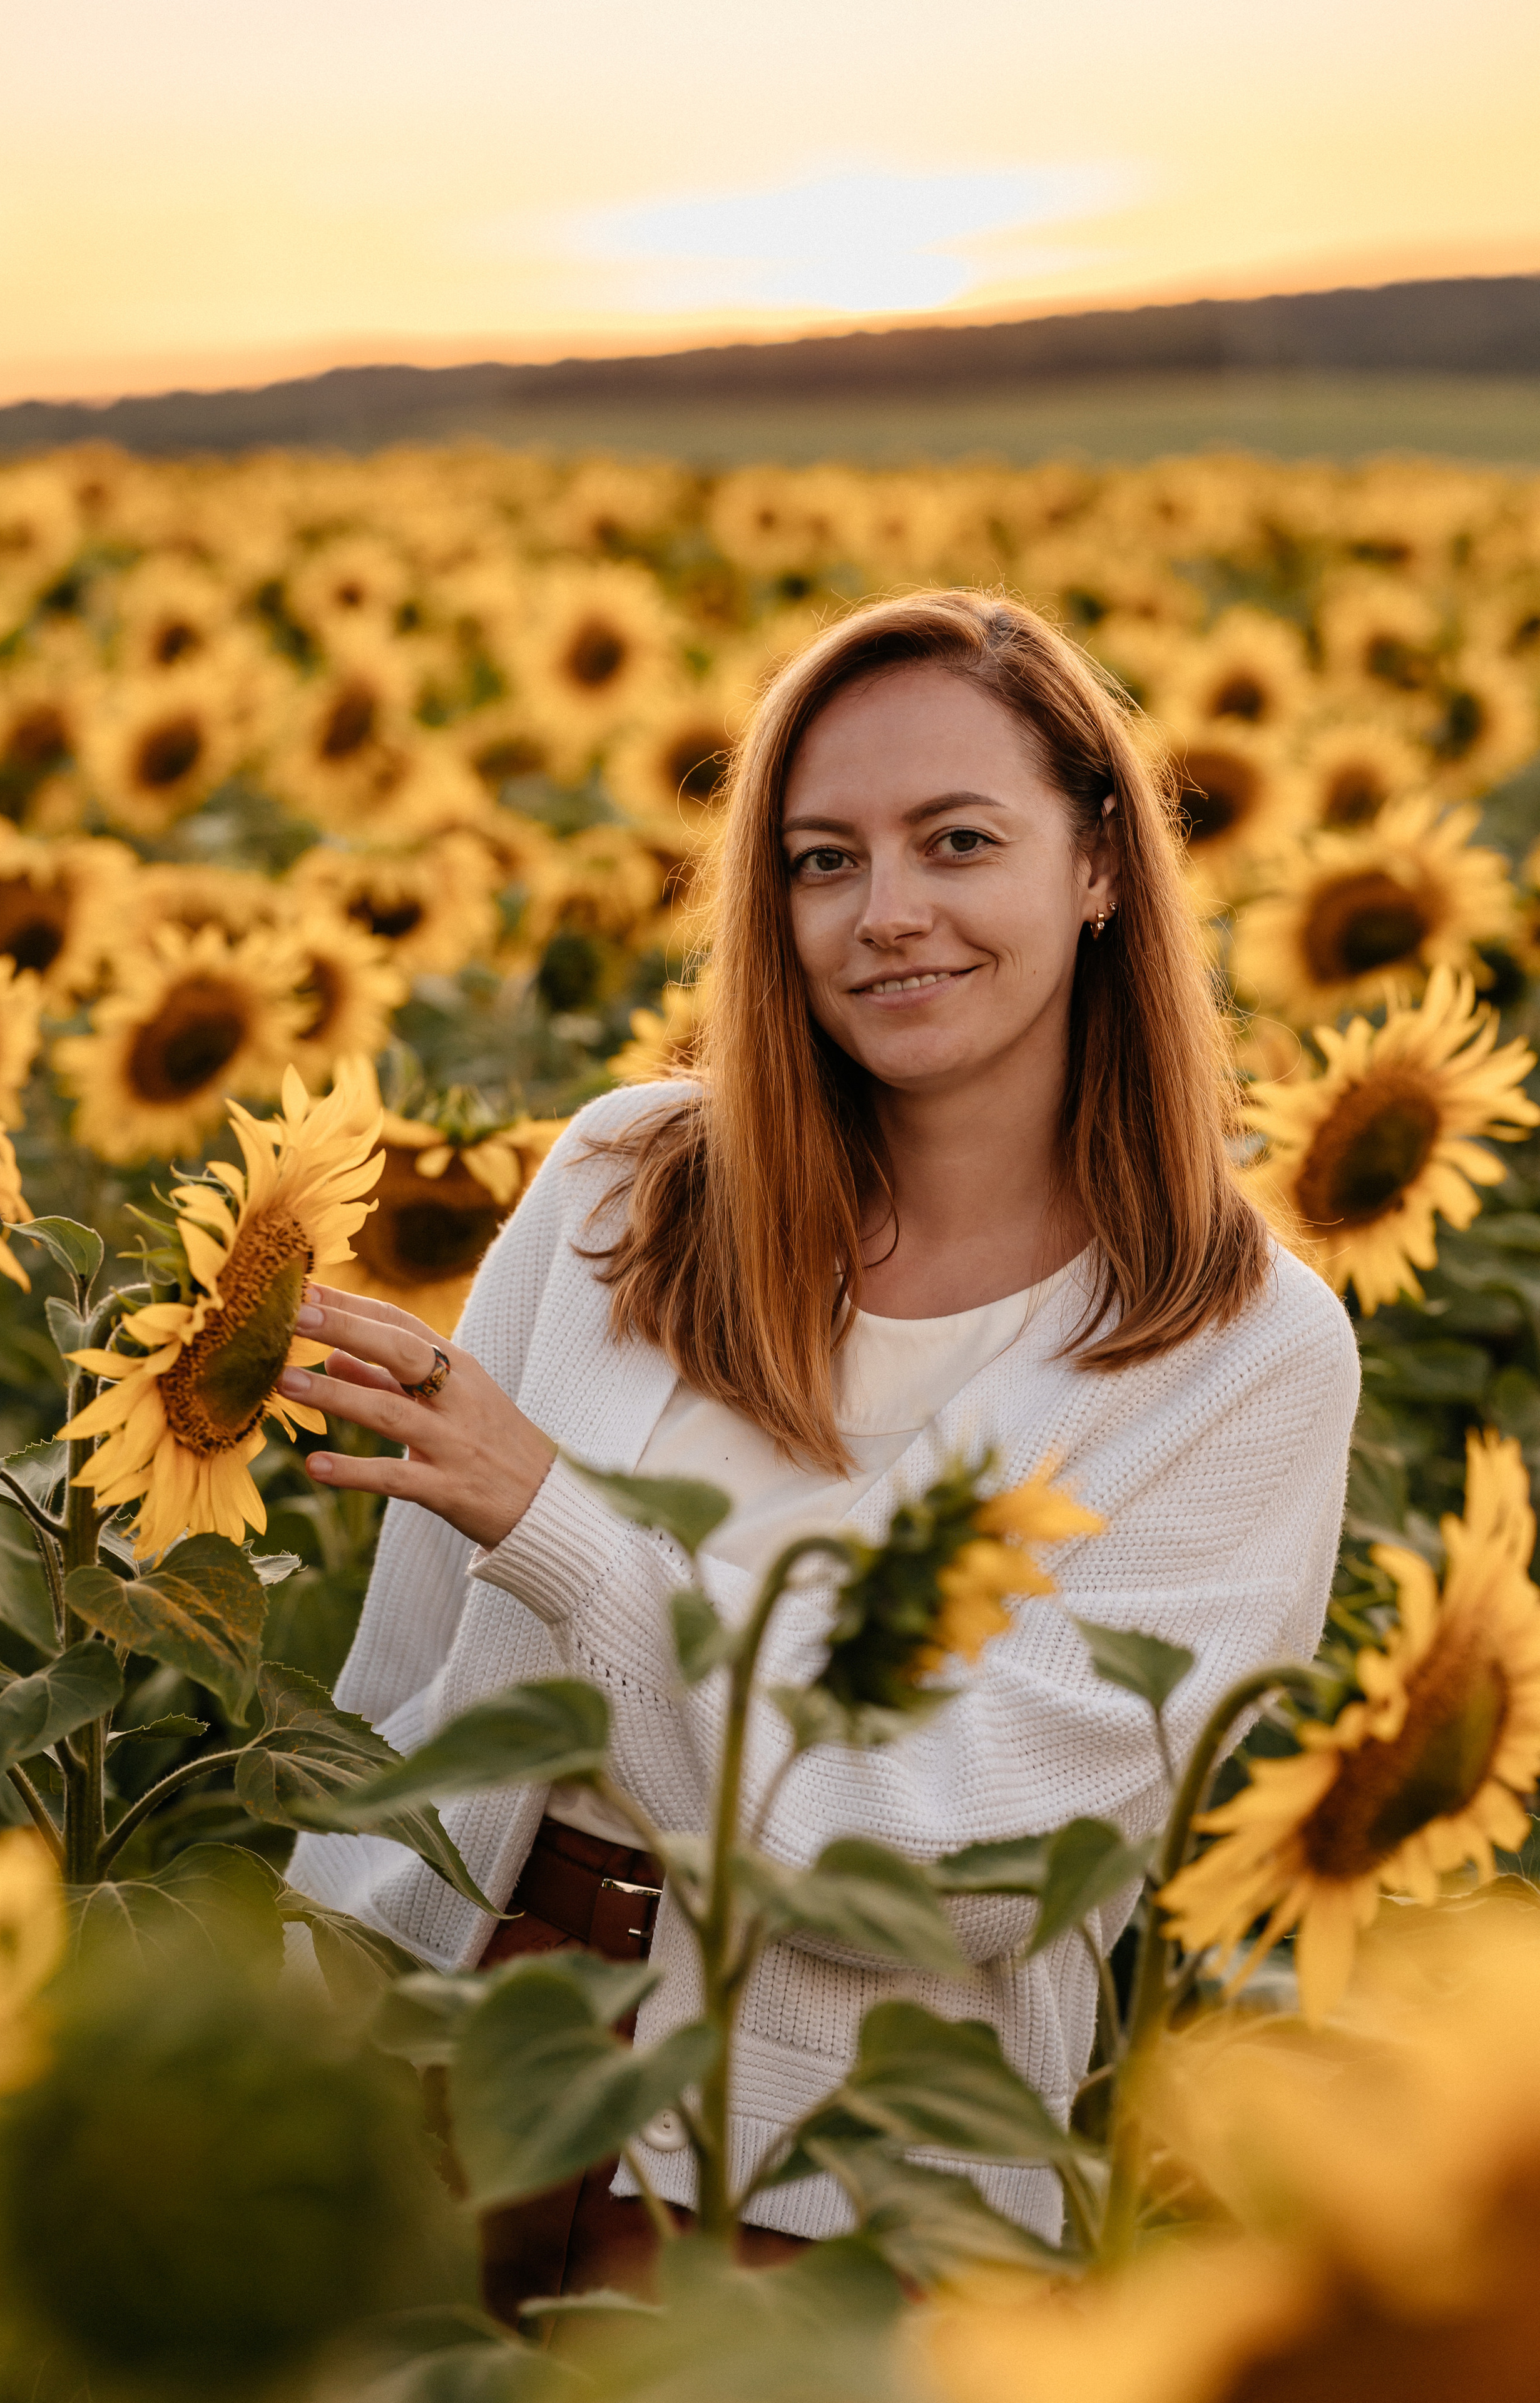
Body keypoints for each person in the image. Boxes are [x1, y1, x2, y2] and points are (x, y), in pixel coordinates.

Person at [283, 588, 1360, 2307]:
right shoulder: (624, 1191)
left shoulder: (1239, 1352)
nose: (887, 914)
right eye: (821, 860)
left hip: (843, 2197)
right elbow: (404, 1691)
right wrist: (305, 2031)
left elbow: (950, 1869)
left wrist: (563, 1525)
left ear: (1098, 867)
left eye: (955, 842)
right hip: (447, 2065)